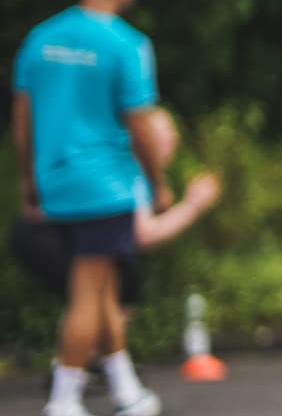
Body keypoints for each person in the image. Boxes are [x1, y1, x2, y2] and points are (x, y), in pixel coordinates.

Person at [12, 0, 172, 416]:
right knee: (90, 288)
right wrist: (158, 182)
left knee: (102, 285)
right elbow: (141, 125)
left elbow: (22, 117)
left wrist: (28, 177)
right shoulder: (126, 44)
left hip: (55, 178)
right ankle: (64, 403)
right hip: (104, 183)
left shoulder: (40, 38)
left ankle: (126, 390)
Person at [10, 106, 223, 312]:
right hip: (44, 234)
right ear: (142, 138)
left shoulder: (124, 166)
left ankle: (106, 344)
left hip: (50, 233)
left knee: (117, 281)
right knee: (114, 285)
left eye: (171, 132)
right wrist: (192, 205)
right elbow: (142, 235)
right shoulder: (130, 171)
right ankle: (103, 346)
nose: (172, 139)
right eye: (163, 133)